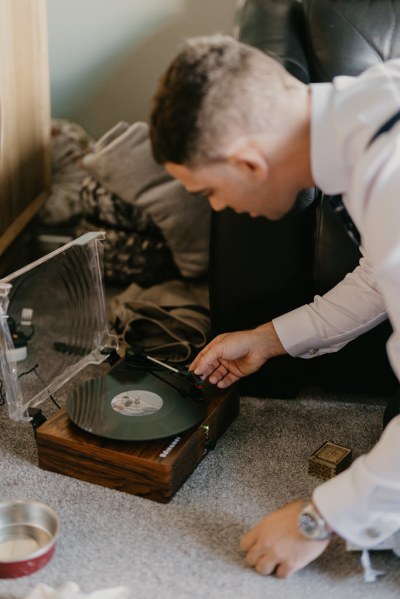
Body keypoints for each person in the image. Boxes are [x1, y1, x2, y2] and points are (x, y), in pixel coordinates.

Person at [149, 34, 400, 578]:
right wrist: (267, 339)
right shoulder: (367, 114)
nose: (217, 206)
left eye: (207, 192)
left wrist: (318, 518)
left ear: (248, 163)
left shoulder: (392, 180)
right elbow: (382, 276)